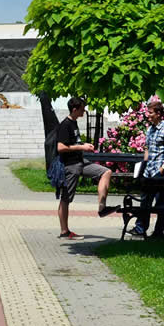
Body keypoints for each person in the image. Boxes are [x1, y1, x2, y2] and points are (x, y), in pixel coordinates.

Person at [55, 96, 111, 240]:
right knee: (66, 198)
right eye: (82, 109)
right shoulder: (65, 125)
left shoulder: (73, 123)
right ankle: (64, 231)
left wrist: (84, 145)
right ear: (75, 109)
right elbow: (60, 147)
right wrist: (82, 146)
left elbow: (73, 142)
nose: (84, 111)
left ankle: (102, 207)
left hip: (80, 162)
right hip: (71, 166)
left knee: (105, 172)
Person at [130, 100, 164, 239]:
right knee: (145, 201)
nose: (147, 115)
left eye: (150, 113)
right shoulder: (150, 129)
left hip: (159, 172)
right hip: (148, 171)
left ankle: (159, 232)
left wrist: (162, 169)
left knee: (160, 203)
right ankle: (140, 229)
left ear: (158, 114)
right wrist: (144, 166)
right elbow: (147, 148)